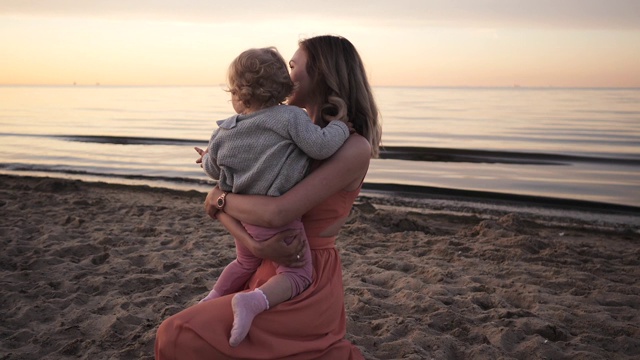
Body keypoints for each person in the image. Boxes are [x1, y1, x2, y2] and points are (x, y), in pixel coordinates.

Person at [156, 34, 381, 359]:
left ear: (320, 73)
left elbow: (274, 213)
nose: (285, 76)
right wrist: (255, 243)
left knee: (176, 334)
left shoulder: (352, 147)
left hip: (303, 271)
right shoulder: (284, 136)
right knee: (180, 333)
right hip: (262, 259)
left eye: (292, 66)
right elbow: (228, 203)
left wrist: (220, 199)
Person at [194, 46, 350, 347]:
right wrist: (340, 128)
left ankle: (212, 297)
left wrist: (207, 157)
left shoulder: (225, 130)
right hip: (271, 217)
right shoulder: (290, 117)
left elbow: (214, 170)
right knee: (297, 274)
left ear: (239, 93)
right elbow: (320, 146)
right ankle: (253, 302)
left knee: (243, 263)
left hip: (242, 215)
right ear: (282, 86)